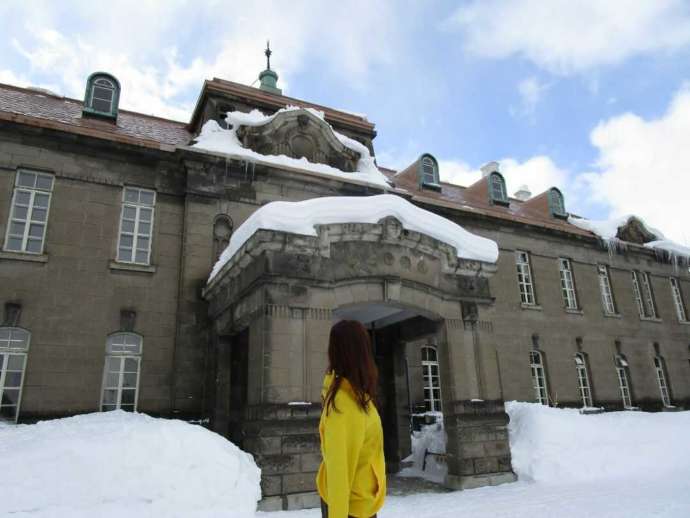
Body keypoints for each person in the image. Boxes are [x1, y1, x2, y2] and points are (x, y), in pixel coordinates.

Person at [316, 319, 386, 518]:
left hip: (362, 502)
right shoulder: (342, 405)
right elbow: (338, 471)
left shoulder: (358, 394)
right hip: (349, 509)